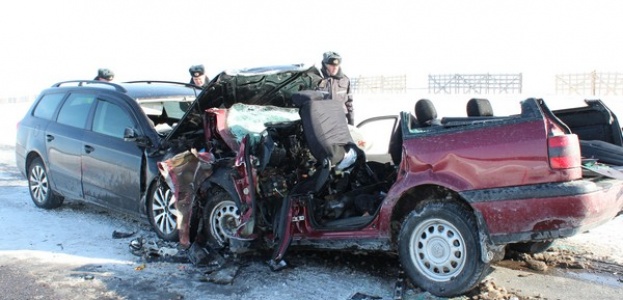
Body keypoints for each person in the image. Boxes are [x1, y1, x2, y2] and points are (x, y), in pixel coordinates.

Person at [318, 51, 354, 126]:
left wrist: (351, 121)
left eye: (337, 65)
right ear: (325, 65)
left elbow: (349, 103)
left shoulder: (345, 80)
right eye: (331, 65)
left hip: (341, 121)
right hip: (323, 122)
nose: (335, 68)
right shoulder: (318, 79)